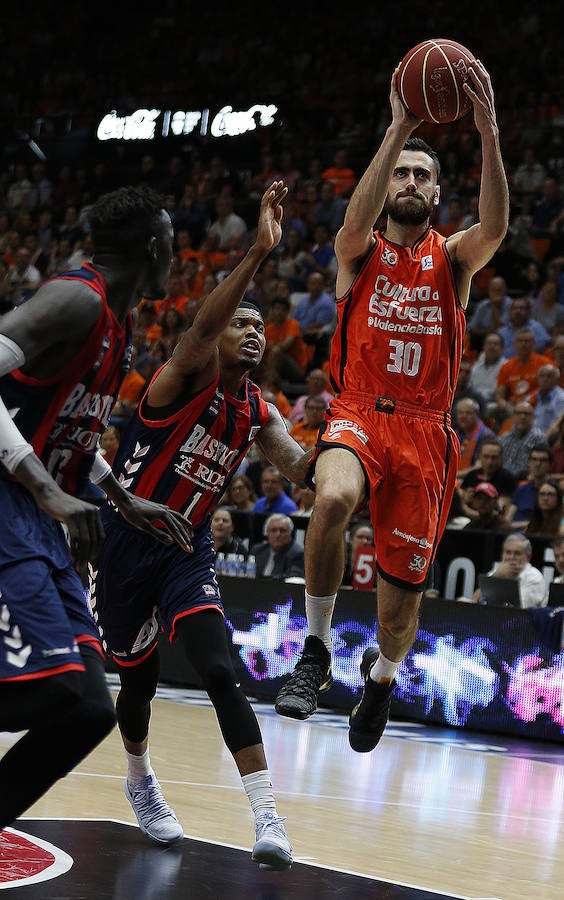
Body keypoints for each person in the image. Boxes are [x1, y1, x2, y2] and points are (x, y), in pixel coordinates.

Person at [273, 58, 509, 755]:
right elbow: (353, 217)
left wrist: (489, 135)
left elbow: (494, 224)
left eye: (421, 175)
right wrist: (401, 123)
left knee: (398, 614)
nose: (409, 182)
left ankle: (381, 678)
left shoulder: (456, 259)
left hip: (426, 432)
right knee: (332, 498)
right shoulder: (357, 250)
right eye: (400, 172)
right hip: (358, 410)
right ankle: (315, 651)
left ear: (437, 193)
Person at [90, 183, 311, 870]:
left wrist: (362, 446)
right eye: (241, 322)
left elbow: (303, 470)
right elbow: (201, 331)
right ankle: (139, 781)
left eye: (261, 326)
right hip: (123, 543)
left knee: (219, 667)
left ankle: (267, 816)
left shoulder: (259, 410)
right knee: (138, 684)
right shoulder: (181, 376)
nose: (253, 330)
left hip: (187, 549)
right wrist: (257, 254)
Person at [0, 185, 194, 833]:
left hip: (42, 522)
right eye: (171, 244)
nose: (176, 255)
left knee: (86, 710)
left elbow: (70, 431)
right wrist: (47, 487)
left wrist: (118, 495)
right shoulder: (75, 299)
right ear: (152, 247)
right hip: (10, 507)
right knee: (52, 688)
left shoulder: (119, 322)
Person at [462, 533, 547, 607]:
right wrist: (497, 576)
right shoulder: (499, 571)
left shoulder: (534, 577)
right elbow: (475, 600)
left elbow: (521, 609)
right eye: (508, 552)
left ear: (528, 557)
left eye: (517, 553)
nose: (511, 557)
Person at [506, 444, 553, 530]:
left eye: (543, 460)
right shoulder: (521, 489)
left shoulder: (555, 491)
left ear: (550, 464)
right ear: (529, 463)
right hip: (516, 537)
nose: (538, 464)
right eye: (534, 459)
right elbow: (508, 520)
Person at [250, 513, 305, 580]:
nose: (278, 534)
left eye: (282, 531)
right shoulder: (258, 550)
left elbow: (292, 577)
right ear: (267, 533)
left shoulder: (297, 553)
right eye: (273, 530)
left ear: (290, 533)